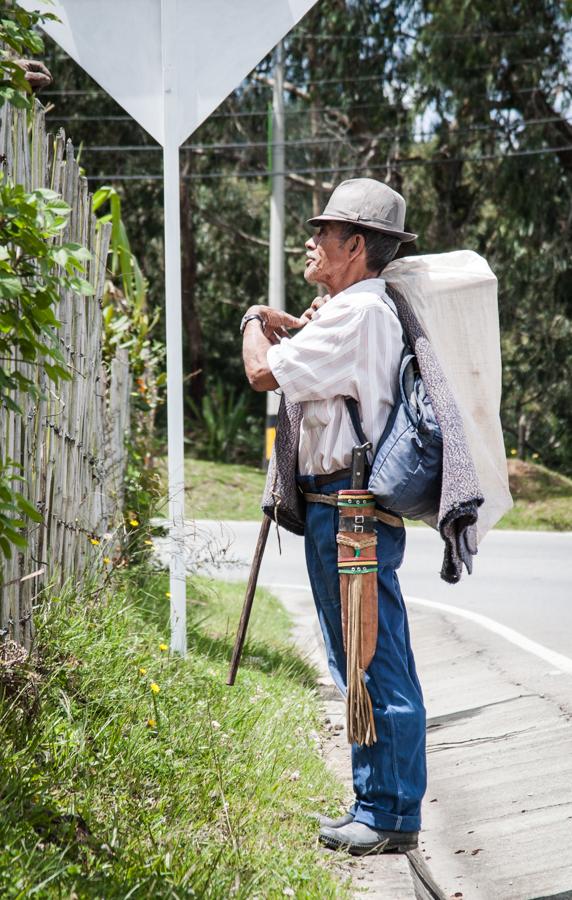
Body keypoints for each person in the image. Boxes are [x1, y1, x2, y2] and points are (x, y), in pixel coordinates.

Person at [241, 178, 426, 856]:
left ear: (355, 246)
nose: (311, 241)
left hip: (349, 514)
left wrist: (254, 325)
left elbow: (264, 374)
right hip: (343, 509)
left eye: (324, 232)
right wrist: (294, 323)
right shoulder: (355, 311)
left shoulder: (357, 314)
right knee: (365, 658)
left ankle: (385, 811)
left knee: (371, 663)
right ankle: (382, 807)